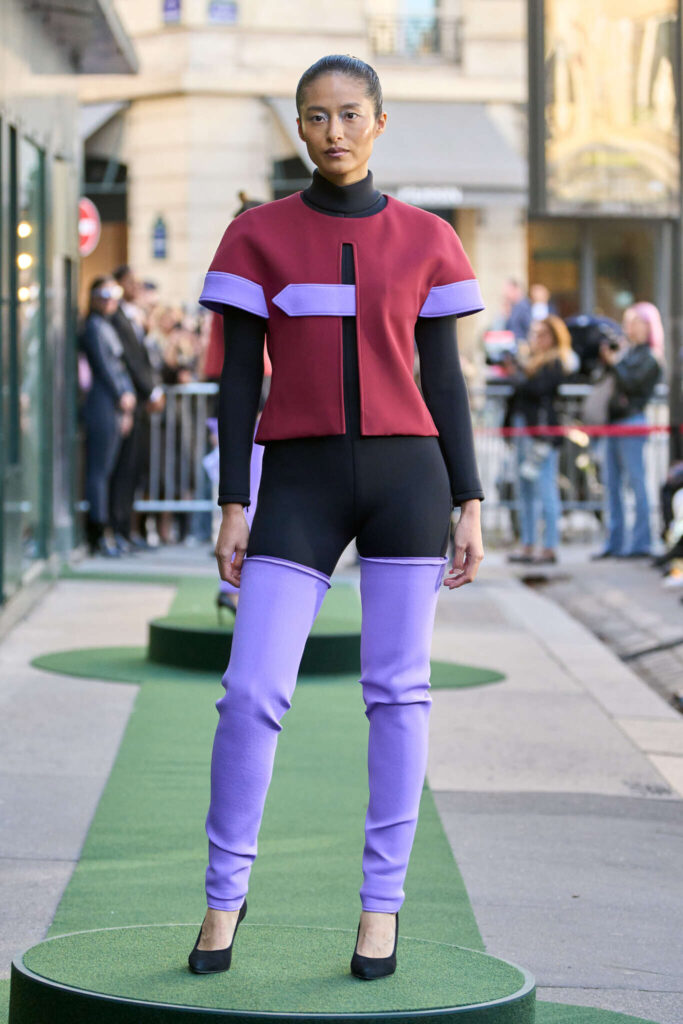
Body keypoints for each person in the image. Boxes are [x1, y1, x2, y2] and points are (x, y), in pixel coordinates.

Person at [188, 54, 485, 981]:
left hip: (409, 481)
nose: (335, 132)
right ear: (299, 127)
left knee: (398, 694)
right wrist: (233, 501)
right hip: (298, 482)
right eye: (316, 116)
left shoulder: (430, 238)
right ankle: (223, 897)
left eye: (351, 114)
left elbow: (444, 382)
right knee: (249, 692)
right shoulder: (255, 236)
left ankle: (381, 907)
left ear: (379, 122)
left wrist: (469, 499)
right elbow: (237, 381)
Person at [592, 301, 664, 559]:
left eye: (635, 321)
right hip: (613, 424)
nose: (629, 327)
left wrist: (615, 362)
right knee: (611, 486)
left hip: (632, 423)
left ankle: (641, 543)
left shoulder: (650, 357)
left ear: (647, 325)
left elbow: (632, 384)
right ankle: (616, 541)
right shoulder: (626, 351)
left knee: (636, 482)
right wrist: (610, 359)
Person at [503, 316, 574, 565]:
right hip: (524, 429)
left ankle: (550, 546)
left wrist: (518, 374)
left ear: (553, 337)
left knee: (545, 489)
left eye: (542, 334)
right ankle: (528, 543)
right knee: (524, 488)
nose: (537, 339)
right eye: (535, 334)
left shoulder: (556, 361)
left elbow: (537, 389)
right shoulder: (531, 361)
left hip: (543, 434)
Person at [78, 277, 136, 556]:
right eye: (105, 293)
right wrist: (121, 394)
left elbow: (117, 365)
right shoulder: (93, 326)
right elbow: (103, 365)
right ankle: (98, 532)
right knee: (99, 471)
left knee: (107, 470)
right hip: (101, 403)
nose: (111, 299)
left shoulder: (106, 326)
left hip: (112, 404)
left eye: (114, 293)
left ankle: (105, 531)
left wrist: (126, 396)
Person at [109, 265, 160, 552]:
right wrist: (151, 390)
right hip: (128, 405)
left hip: (139, 407)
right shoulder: (116, 317)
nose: (135, 287)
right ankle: (117, 529)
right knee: (123, 469)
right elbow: (131, 360)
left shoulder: (134, 317)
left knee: (134, 470)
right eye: (129, 282)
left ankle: (127, 530)